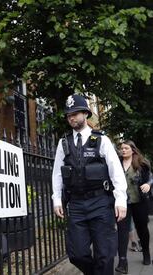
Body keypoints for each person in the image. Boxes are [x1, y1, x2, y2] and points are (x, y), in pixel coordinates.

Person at [52, 94, 127, 275]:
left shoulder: (102, 140)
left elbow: (116, 171)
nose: (71, 117)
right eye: (69, 114)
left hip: (101, 203)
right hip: (76, 204)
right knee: (77, 254)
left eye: (76, 113)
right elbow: (56, 174)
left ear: (86, 113)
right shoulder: (64, 143)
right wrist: (57, 200)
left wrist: (120, 200)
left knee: (105, 255)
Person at [115, 140, 152, 273]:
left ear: (133, 150)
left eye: (126, 148)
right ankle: (122, 261)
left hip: (139, 202)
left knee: (142, 229)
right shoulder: (116, 163)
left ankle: (146, 253)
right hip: (122, 204)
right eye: (121, 149)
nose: (123, 150)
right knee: (122, 231)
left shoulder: (142, 163)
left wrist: (148, 184)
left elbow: (150, 178)